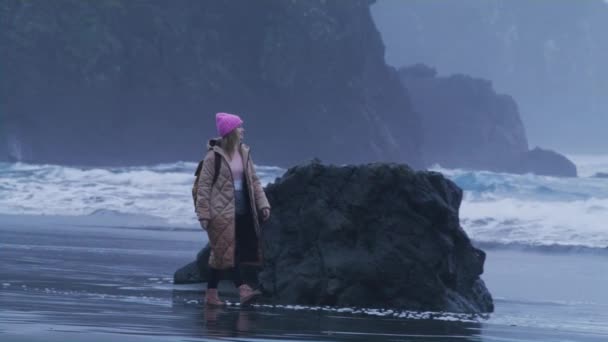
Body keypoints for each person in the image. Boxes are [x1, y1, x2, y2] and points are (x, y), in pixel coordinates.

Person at [195, 112, 271, 306]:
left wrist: (263, 204)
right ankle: (243, 289)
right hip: (219, 211)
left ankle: (211, 294)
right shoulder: (214, 156)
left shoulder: (244, 153)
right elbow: (203, 186)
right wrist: (203, 214)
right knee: (228, 251)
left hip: (243, 209)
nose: (242, 130)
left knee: (221, 252)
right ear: (230, 131)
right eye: (239, 127)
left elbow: (253, 180)